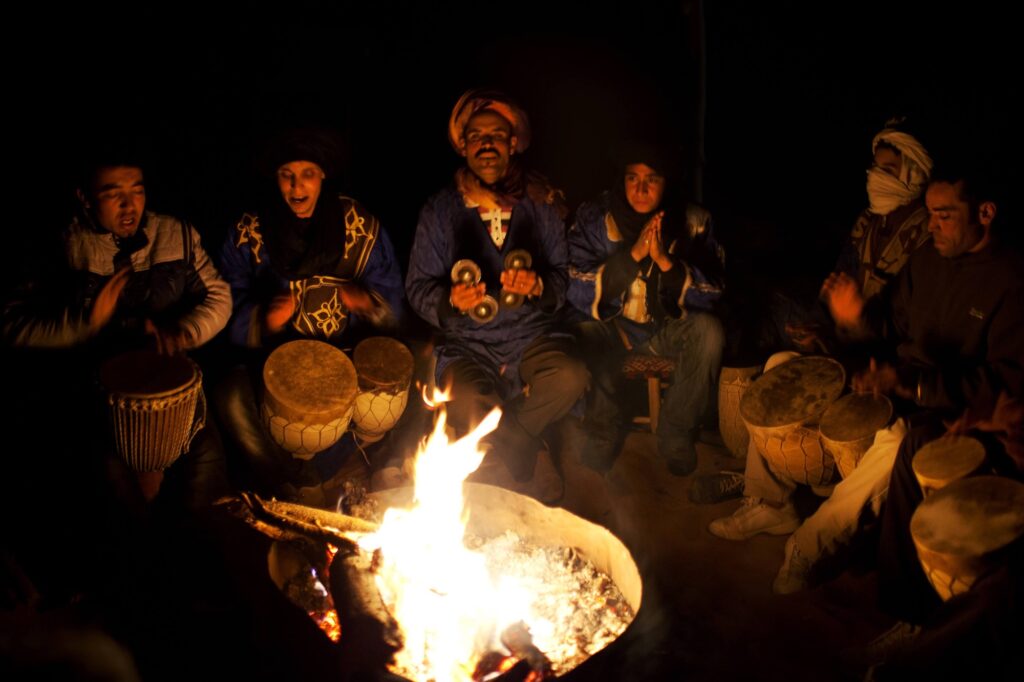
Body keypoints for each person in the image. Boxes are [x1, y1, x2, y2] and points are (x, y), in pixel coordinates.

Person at [708, 162, 1024, 594]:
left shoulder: (1011, 280)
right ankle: (769, 502)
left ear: (985, 213)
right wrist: (854, 319)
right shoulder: (929, 259)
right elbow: (886, 323)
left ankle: (808, 545)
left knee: (893, 443)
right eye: (929, 214)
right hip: (888, 376)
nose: (932, 226)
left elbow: (1006, 384)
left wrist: (911, 384)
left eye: (944, 215)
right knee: (781, 364)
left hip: (936, 405)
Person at [2, 150, 232, 510]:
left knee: (211, 496)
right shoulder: (62, 246)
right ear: (85, 198)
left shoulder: (176, 235)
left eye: (137, 191)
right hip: (98, 404)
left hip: (178, 394)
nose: (129, 205)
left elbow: (219, 296)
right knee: (122, 508)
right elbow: (13, 325)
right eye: (113, 193)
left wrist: (185, 331)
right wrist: (87, 322)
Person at [405, 89, 588, 503]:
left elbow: (564, 277)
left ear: (512, 143)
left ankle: (515, 441)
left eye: (496, 135)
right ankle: (527, 446)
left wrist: (539, 286)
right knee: (465, 398)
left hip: (531, 338)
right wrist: (451, 301)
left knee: (572, 376)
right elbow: (417, 288)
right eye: (476, 135)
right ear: (463, 145)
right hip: (469, 344)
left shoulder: (541, 203)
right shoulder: (439, 211)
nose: (486, 144)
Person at [215, 129, 408, 506]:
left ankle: (372, 457)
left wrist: (367, 303)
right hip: (274, 366)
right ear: (275, 179)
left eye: (307, 174)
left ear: (323, 176)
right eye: (287, 174)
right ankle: (285, 480)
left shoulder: (359, 226)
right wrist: (264, 320)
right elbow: (224, 303)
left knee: (419, 362)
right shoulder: (248, 232)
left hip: (346, 356)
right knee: (228, 395)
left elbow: (394, 300)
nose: (296, 185)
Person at [567, 142, 725, 475]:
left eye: (651, 179)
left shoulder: (695, 221)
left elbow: (715, 291)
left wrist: (666, 263)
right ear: (621, 181)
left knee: (710, 332)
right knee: (585, 333)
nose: (640, 189)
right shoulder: (595, 218)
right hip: (612, 329)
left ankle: (676, 433)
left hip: (663, 331)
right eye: (632, 178)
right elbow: (573, 283)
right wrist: (633, 256)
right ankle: (600, 432)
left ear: (666, 183)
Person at [776, 118, 933, 354]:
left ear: (915, 175)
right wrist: (820, 328)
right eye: (875, 167)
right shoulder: (867, 221)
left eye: (887, 170)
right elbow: (840, 279)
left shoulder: (928, 234)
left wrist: (857, 319)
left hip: (882, 348)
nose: (874, 176)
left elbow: (907, 328)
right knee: (779, 307)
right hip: (848, 332)